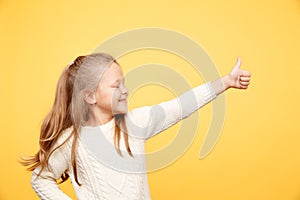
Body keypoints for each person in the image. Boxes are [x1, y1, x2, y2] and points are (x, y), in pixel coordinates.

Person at [21, 52, 251, 199]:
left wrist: (226, 82)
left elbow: (180, 106)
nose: (125, 90)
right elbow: (40, 178)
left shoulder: (136, 123)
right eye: (116, 85)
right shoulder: (71, 141)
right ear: (90, 97)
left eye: (124, 83)